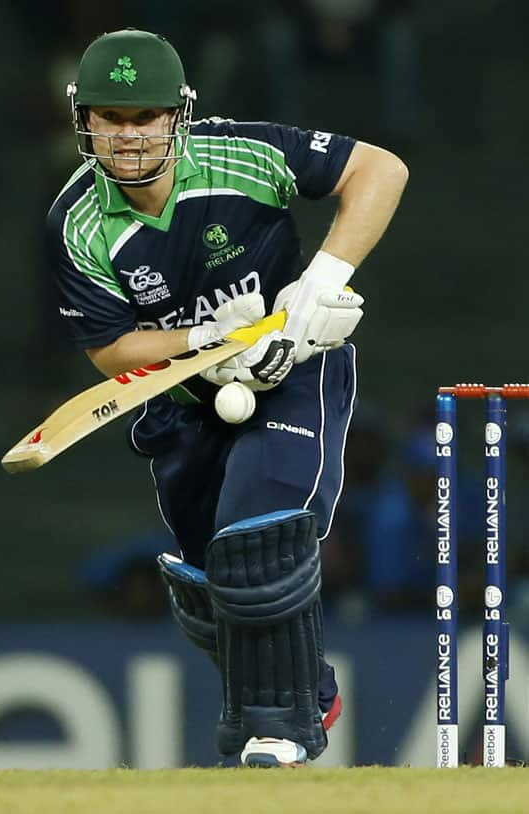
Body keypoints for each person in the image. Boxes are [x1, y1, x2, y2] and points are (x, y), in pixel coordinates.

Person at [47, 28, 408, 767]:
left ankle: (282, 733)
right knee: (211, 587)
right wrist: (206, 342)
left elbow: (381, 168)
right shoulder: (75, 222)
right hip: (182, 400)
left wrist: (319, 285)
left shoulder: (239, 152)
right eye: (111, 117)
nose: (129, 135)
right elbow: (111, 350)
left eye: (145, 116)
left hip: (296, 368)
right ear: (84, 118)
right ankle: (295, 696)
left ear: (177, 114)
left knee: (259, 540)